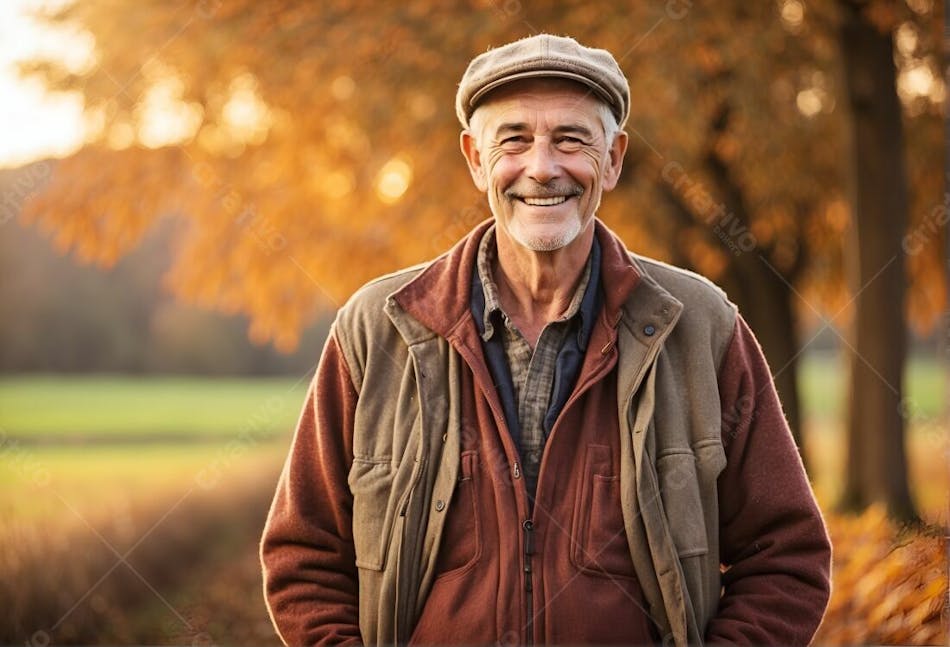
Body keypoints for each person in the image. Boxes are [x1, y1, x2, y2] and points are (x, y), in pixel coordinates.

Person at [260, 34, 832, 646]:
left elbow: (787, 559)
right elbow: (303, 556)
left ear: (613, 159)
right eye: (513, 140)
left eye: (571, 139)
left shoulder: (699, 327)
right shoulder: (378, 328)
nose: (541, 167)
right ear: (475, 158)